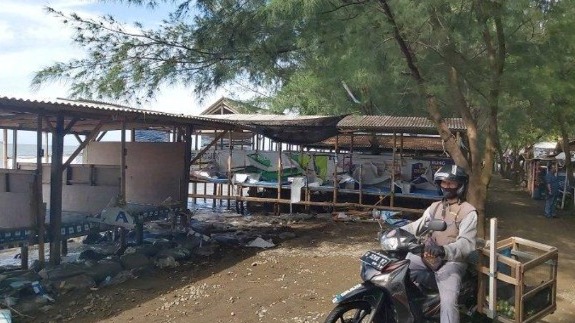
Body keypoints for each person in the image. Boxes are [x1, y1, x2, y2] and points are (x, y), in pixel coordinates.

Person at [400, 165, 478, 323]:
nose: (447, 187)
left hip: (452, 262)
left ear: (461, 185)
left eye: (451, 183)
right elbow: (417, 226)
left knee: (449, 303)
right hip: (428, 257)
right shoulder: (434, 207)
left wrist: (444, 250)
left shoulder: (468, 211)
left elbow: (466, 243)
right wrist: (396, 232)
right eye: (444, 183)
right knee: (398, 267)